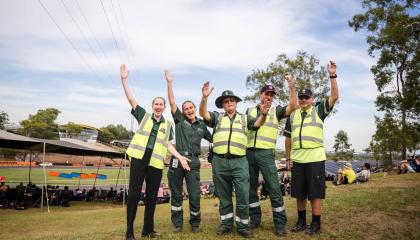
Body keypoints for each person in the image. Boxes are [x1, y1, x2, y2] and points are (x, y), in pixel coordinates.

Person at [120, 64, 191, 240]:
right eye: (156, 104)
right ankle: (129, 231)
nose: (158, 106)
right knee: (135, 194)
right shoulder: (143, 115)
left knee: (152, 197)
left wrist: (180, 157)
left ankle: (148, 230)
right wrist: (124, 79)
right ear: (152, 106)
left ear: (164, 108)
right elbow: (130, 98)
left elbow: (168, 145)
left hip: (156, 162)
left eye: (161, 104)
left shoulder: (168, 125)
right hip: (139, 158)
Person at [199, 82, 270, 238]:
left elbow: (257, 124)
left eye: (232, 100)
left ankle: (243, 226)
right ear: (222, 105)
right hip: (219, 161)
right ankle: (226, 224)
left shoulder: (245, 118)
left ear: (236, 103)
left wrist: (263, 114)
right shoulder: (217, 117)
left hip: (239, 162)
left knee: (243, 195)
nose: (229, 102)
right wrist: (204, 98)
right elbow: (203, 113)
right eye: (226, 101)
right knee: (224, 196)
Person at [284, 60, 339, 235]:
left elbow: (334, 97)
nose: (303, 100)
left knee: (315, 194)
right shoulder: (292, 116)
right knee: (299, 194)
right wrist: (288, 158)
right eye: (301, 97)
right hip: (298, 159)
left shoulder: (318, 110)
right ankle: (301, 221)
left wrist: (332, 75)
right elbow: (287, 138)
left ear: (312, 99)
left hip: (315, 159)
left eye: (306, 97)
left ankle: (315, 223)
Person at [246, 74, 297, 236]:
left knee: (274, 188)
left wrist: (291, 85)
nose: (269, 96)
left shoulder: (277, 110)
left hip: (266, 155)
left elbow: (293, 105)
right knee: (250, 189)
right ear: (260, 94)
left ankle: (280, 224)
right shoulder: (249, 110)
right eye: (266, 93)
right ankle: (254, 219)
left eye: (272, 95)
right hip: (248, 154)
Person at [164, 70, 212, 233]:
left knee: (194, 195)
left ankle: (195, 223)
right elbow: (171, 102)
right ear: (183, 112)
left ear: (195, 109)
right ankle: (177, 224)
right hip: (177, 160)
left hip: (194, 162)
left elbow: (215, 139)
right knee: (176, 194)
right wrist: (170, 82)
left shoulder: (202, 125)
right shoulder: (179, 120)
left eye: (191, 108)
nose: (189, 110)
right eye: (186, 109)